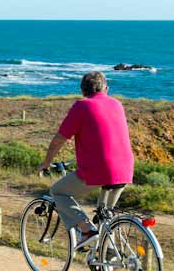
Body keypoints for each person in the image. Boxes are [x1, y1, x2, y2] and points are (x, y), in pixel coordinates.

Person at [39, 71, 135, 248]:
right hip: (125, 169)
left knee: (58, 192)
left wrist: (46, 162)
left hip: (98, 170)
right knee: (106, 216)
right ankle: (110, 260)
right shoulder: (117, 104)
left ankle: (86, 229)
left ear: (83, 91)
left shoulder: (82, 106)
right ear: (106, 88)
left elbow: (60, 139)